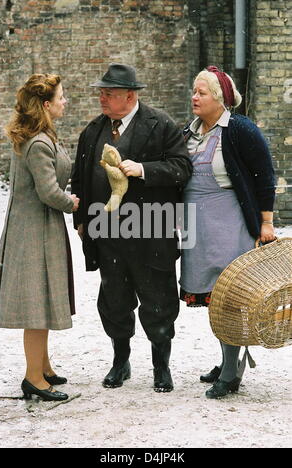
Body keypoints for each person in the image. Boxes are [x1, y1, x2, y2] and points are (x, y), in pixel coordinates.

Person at [71, 63, 192, 392]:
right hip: (109, 234)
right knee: (114, 301)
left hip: (151, 231)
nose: (102, 98)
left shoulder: (162, 124)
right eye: (101, 93)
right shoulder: (94, 130)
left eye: (108, 93)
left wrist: (143, 169)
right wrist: (81, 221)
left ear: (130, 95)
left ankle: (160, 367)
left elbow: (182, 168)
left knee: (158, 302)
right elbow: (80, 177)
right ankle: (120, 362)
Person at [180, 66, 276, 399]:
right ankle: (228, 359)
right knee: (212, 297)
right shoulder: (188, 133)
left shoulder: (240, 130)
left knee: (230, 298)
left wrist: (266, 222)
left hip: (229, 222)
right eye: (193, 91)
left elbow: (265, 175)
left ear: (219, 98)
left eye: (201, 92)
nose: (194, 97)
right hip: (197, 225)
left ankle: (232, 371)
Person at [0, 74, 80, 401]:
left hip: (34, 227)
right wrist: (70, 202)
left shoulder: (36, 136)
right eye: (60, 97)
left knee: (40, 300)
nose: (64, 101)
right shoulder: (39, 143)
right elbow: (48, 192)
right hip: (35, 231)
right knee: (37, 305)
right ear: (46, 104)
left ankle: (42, 366)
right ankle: (33, 378)